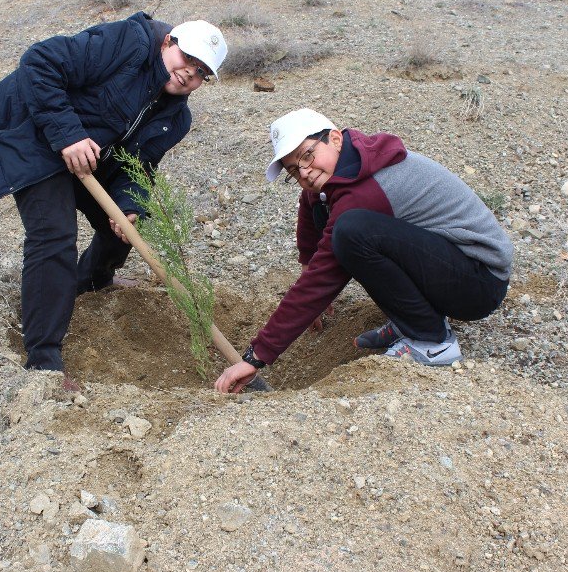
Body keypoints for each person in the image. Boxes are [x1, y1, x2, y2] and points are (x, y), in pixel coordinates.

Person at [0, 13, 227, 374]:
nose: (189, 74)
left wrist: (129, 206)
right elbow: (40, 61)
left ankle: (90, 281)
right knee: (54, 235)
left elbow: (139, 167)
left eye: (201, 74)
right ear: (168, 43)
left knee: (125, 225)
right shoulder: (128, 43)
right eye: (188, 61)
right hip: (26, 130)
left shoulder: (176, 119)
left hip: (84, 151)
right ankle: (43, 357)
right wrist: (67, 134)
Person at [215, 108, 513, 393]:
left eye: (308, 156)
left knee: (351, 232)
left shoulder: (368, 190)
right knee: (343, 222)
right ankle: (413, 320)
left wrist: (257, 356)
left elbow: (323, 278)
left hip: (479, 282)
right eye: (294, 170)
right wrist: (307, 262)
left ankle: (433, 341)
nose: (304, 173)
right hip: (451, 265)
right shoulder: (348, 164)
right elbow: (312, 204)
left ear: (334, 138)